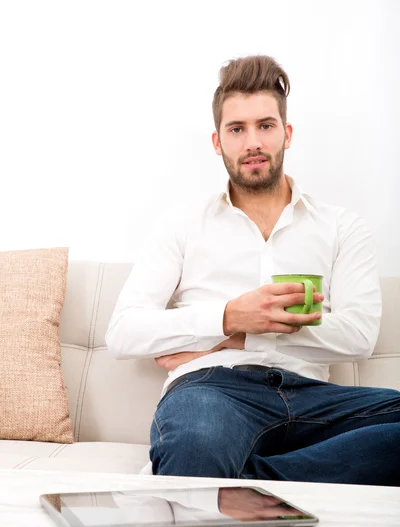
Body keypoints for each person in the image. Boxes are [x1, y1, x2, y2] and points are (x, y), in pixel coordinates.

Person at [106, 55, 400, 486]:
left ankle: (243, 483)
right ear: (217, 141)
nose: (252, 142)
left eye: (265, 125)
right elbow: (123, 333)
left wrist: (243, 332)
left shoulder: (341, 226)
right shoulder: (182, 225)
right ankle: (241, 480)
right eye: (237, 129)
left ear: (287, 133)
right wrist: (227, 315)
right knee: (197, 444)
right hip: (214, 388)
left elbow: (359, 336)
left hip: (313, 397)